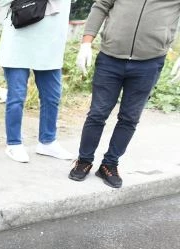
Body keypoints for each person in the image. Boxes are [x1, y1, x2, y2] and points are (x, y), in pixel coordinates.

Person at [69, 0, 180, 188]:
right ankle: (84, 160)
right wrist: (86, 43)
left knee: (129, 118)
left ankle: (109, 164)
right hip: (110, 58)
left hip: (149, 63)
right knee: (97, 113)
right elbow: (101, 6)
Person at [0, 0, 73, 163]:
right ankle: (14, 143)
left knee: (52, 97)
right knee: (17, 96)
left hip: (50, 45)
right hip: (18, 41)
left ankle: (48, 141)